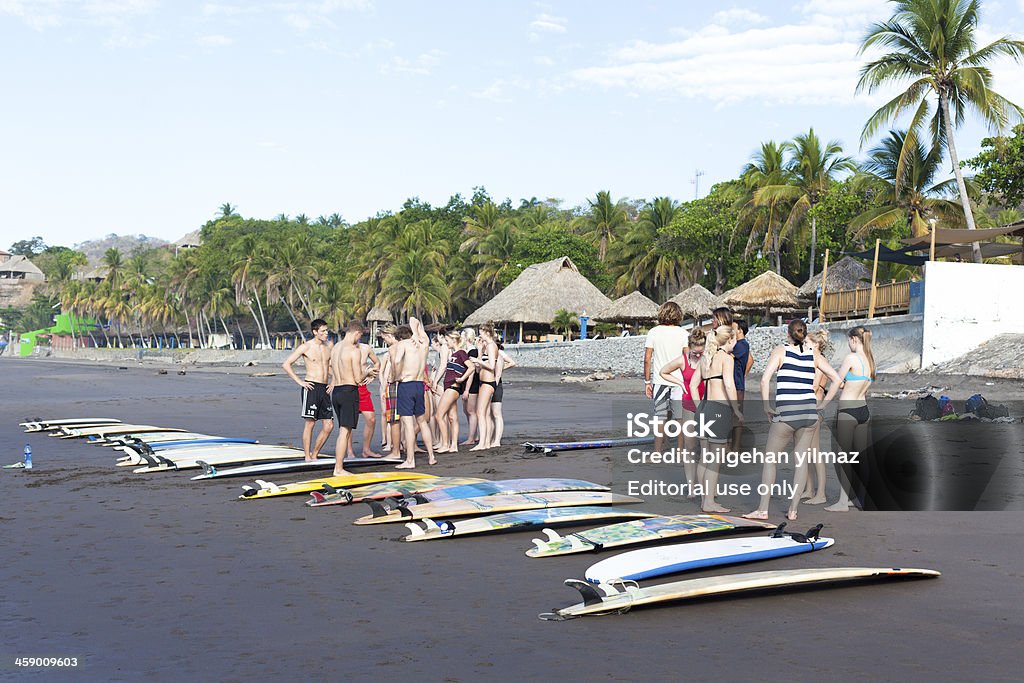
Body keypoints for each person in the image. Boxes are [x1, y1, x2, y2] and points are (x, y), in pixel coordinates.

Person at [747, 319, 841, 521]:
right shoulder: (813, 354)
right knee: (801, 461)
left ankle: (763, 509)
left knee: (771, 460)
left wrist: (766, 406)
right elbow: (837, 379)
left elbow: (765, 379)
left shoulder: (781, 351)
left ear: (788, 334)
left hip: (786, 413)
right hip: (809, 414)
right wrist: (822, 405)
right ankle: (793, 510)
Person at [688, 324, 742, 513]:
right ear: (729, 340)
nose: (736, 344)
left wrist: (698, 407)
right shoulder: (726, 358)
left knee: (705, 456)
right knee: (715, 459)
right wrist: (736, 409)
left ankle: (705, 499)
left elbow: (693, 385)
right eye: (734, 340)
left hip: (705, 408)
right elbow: (729, 385)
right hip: (720, 409)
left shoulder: (706, 358)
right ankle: (709, 502)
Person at [826, 326, 875, 512]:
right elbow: (861, 386)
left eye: (848, 340)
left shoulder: (851, 358)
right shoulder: (870, 361)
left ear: (854, 339)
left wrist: (822, 404)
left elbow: (837, 382)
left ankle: (842, 502)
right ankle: (862, 499)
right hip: (863, 410)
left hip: (848, 410)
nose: (848, 344)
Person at [657, 327, 706, 493]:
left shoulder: (708, 359)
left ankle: (705, 485)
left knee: (706, 448)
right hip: (688, 406)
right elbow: (663, 371)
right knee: (690, 446)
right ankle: (691, 486)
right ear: (690, 347)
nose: (698, 355)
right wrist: (679, 383)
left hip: (707, 406)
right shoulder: (683, 360)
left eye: (701, 351)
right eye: (695, 352)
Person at [282, 318, 334, 461]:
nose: (326, 333)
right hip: (311, 386)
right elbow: (286, 364)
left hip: (325, 388)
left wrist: (334, 381)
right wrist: (300, 382)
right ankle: (307, 455)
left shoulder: (328, 347)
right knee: (310, 423)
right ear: (315, 332)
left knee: (329, 425)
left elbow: (329, 368)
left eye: (326, 330)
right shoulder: (306, 347)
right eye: (323, 331)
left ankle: (315, 453)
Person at [328, 321, 372, 476]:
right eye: (360, 336)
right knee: (344, 431)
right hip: (349, 390)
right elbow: (359, 378)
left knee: (343, 429)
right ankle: (338, 469)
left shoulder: (335, 348)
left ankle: (339, 466)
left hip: (337, 391)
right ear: (357, 333)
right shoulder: (353, 350)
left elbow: (331, 369)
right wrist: (368, 371)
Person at [643, 302, 688, 453]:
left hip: (660, 381)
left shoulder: (653, 332)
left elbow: (647, 358)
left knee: (660, 416)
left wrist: (647, 381)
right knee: (680, 417)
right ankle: (681, 451)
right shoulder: (683, 333)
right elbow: (687, 358)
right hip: (679, 381)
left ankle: (657, 451)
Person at [391, 317, 435, 468]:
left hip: (407, 384)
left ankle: (410, 460)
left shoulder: (403, 344)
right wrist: (417, 333)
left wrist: (396, 377)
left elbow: (397, 361)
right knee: (422, 422)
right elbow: (415, 319)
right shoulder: (424, 343)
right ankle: (431, 456)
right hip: (419, 384)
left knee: (408, 424)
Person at [800, 328, 832, 504]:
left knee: (815, 451)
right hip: (808, 407)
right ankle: (809, 489)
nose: (804, 345)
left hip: (815, 408)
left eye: (807, 343)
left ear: (816, 344)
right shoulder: (811, 360)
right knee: (806, 452)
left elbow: (813, 386)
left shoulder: (819, 361)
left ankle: (821, 493)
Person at [435, 331, 472, 452]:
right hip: (450, 387)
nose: (446, 342)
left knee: (439, 415)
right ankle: (453, 445)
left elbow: (471, 367)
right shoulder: (454, 354)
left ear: (453, 340)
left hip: (453, 387)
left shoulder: (461, 353)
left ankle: (445, 444)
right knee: (452, 417)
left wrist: (462, 378)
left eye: (448, 340)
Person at [349, 337, 382, 459]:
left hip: (362, 387)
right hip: (349, 386)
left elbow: (377, 362)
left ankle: (366, 450)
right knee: (349, 422)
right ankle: (349, 451)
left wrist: (372, 375)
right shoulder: (344, 348)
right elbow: (331, 365)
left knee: (371, 419)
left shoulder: (365, 348)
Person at [469, 323, 500, 451]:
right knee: (485, 413)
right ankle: (486, 442)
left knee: (480, 412)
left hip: (488, 382)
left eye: (481, 332)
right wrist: (480, 352)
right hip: (484, 382)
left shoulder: (492, 346)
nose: (479, 335)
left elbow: (492, 366)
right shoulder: (486, 347)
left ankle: (482, 443)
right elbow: (477, 369)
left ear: (487, 332)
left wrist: (478, 361)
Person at [489, 343, 517, 448]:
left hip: (496, 384)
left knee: (496, 413)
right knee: (489, 414)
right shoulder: (486, 352)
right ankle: (490, 438)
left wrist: (500, 368)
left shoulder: (499, 352)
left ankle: (497, 440)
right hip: (486, 384)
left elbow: (512, 363)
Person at [460, 328, 479, 446]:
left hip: (472, 384)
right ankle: (474, 435)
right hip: (466, 383)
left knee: (471, 411)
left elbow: (472, 371)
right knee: (466, 410)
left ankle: (471, 437)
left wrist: (467, 389)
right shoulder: (466, 350)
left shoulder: (472, 351)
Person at [733, 319, 753, 403]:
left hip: (736, 384)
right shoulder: (741, 344)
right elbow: (751, 360)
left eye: (733, 328)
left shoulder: (741, 345)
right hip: (737, 383)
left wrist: (743, 375)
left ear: (740, 330)